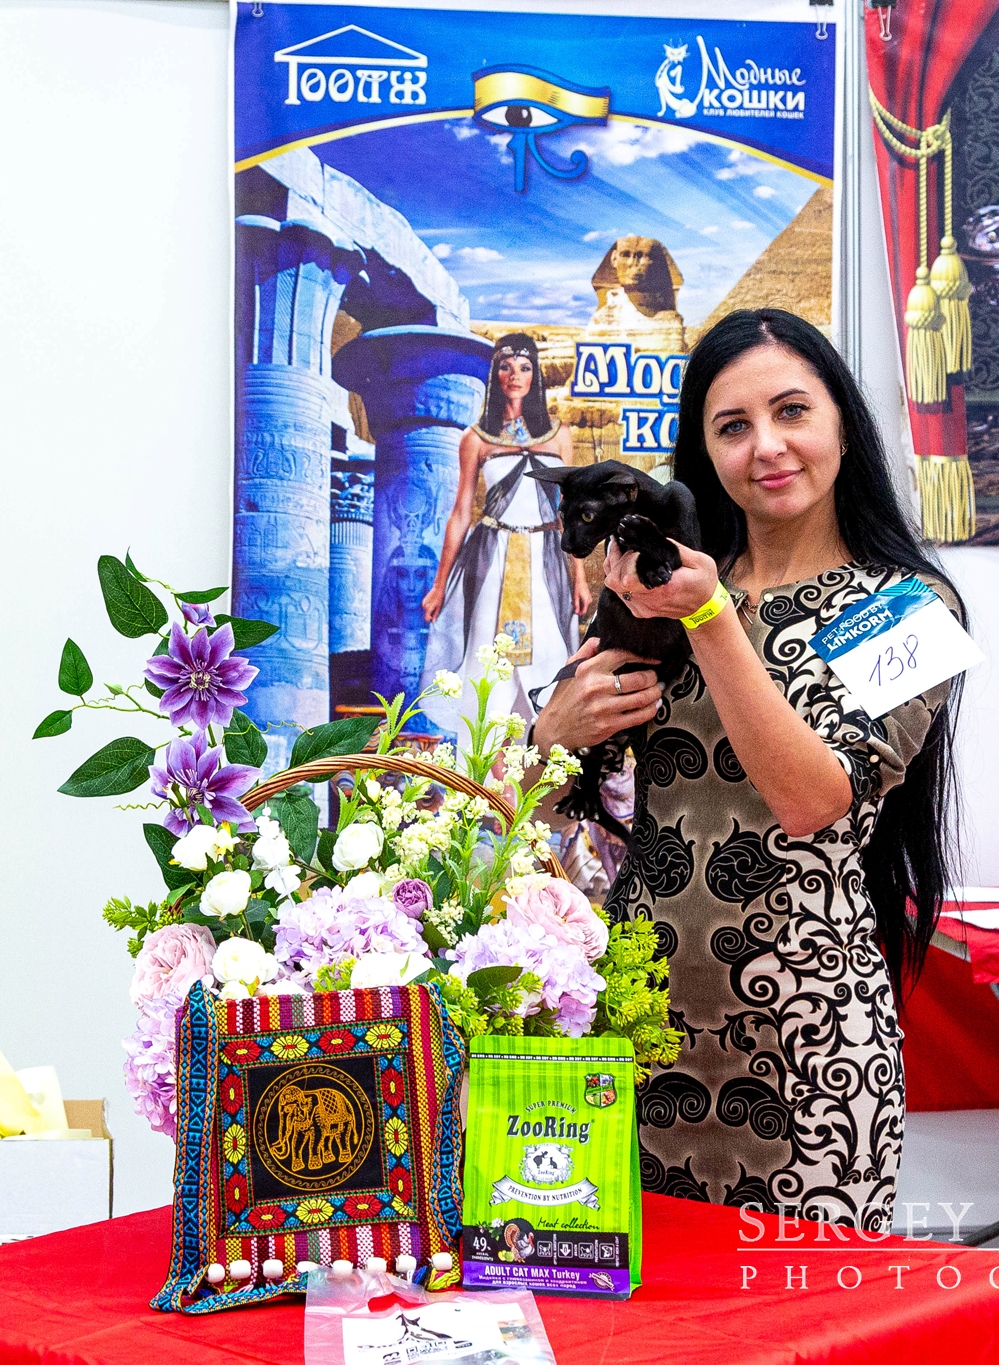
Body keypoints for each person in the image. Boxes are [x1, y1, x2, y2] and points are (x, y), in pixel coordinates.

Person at [532, 308, 965, 1232]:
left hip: (811, 1048)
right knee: (631, 1303)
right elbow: (552, 804)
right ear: (704, 451)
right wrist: (550, 736)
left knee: (806, 1306)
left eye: (791, 411)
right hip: (634, 1034)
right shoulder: (652, 588)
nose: (765, 446)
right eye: (732, 426)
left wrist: (711, 618)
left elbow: (810, 798)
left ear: (841, 421)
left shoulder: (910, 607)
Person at [419, 333, 590, 736]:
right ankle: (481, 766)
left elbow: (570, 511)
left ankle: (541, 764)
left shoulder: (559, 435)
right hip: (491, 561)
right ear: (495, 374)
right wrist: (439, 585)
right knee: (486, 665)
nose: (516, 375)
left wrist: (579, 576)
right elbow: (461, 513)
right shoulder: (476, 439)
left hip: (545, 561)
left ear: (535, 376)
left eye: (525, 367)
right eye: (506, 367)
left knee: (549, 657)